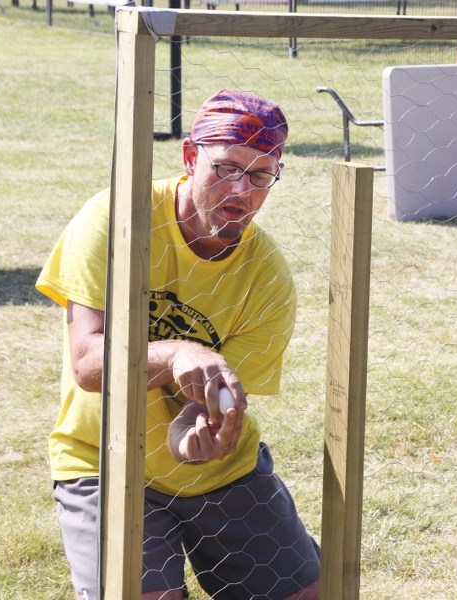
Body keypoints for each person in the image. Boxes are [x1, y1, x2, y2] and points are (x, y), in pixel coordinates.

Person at [37, 89, 321, 600]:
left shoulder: (268, 277)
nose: (241, 189)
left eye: (260, 175)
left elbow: (214, 405)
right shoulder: (118, 219)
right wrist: (176, 353)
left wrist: (197, 435)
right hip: (103, 459)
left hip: (219, 472)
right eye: (226, 168)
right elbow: (87, 363)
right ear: (190, 157)